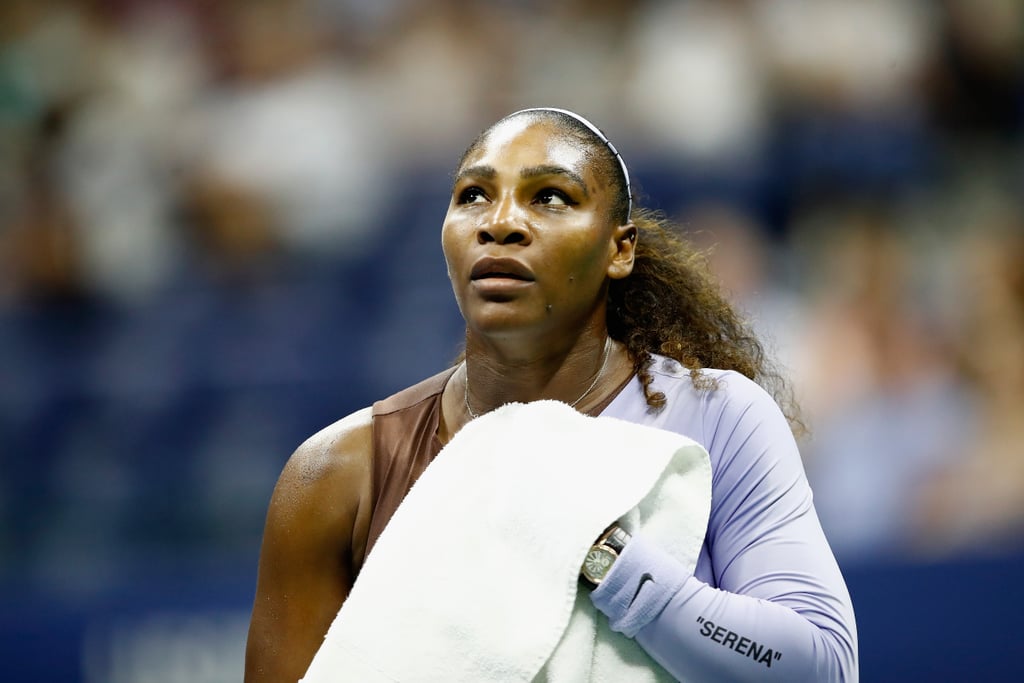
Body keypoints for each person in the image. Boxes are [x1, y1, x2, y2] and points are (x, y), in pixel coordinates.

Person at [244, 107, 858, 682]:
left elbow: (822, 664)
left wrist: (606, 559)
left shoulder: (720, 414)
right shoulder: (336, 476)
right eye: (473, 196)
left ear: (619, 249)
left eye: (549, 197)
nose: (500, 221)